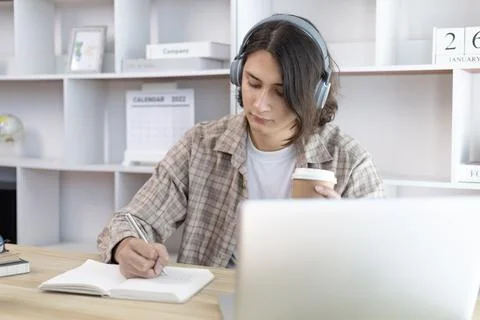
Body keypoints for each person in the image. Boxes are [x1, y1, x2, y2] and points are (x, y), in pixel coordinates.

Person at [97, 13, 384, 278]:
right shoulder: (200, 145)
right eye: (253, 83)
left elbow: (381, 265)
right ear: (238, 74)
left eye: (281, 93)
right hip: (210, 304)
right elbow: (132, 218)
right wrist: (125, 244)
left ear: (315, 95)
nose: (260, 104)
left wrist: (346, 234)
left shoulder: (350, 162)